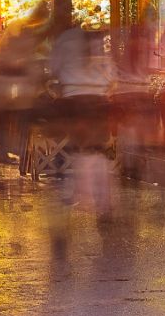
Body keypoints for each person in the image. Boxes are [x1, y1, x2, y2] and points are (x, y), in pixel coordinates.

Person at [47, 18, 114, 215]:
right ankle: (103, 200)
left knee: (81, 148)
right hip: (98, 98)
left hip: (74, 99)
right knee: (98, 149)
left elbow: (54, 69)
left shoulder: (64, 39)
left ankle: (84, 195)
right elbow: (110, 69)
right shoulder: (98, 39)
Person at [0, 11, 48, 176]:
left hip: (3, 77)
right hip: (2, 77)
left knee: (5, 114)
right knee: (4, 113)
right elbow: (18, 58)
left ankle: (6, 150)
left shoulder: (21, 27)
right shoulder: (21, 30)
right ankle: (4, 151)